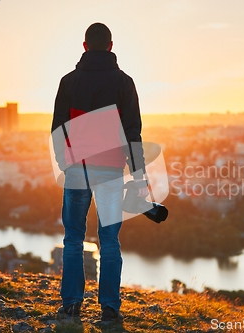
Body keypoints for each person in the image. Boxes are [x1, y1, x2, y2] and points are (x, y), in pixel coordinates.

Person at [51, 22, 148, 323]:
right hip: (110, 169)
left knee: (73, 238)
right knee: (108, 240)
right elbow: (133, 131)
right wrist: (138, 173)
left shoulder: (68, 82)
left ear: (84, 46)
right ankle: (109, 307)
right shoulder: (124, 82)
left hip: (77, 169)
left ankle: (71, 304)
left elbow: (58, 129)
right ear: (110, 46)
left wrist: (63, 162)